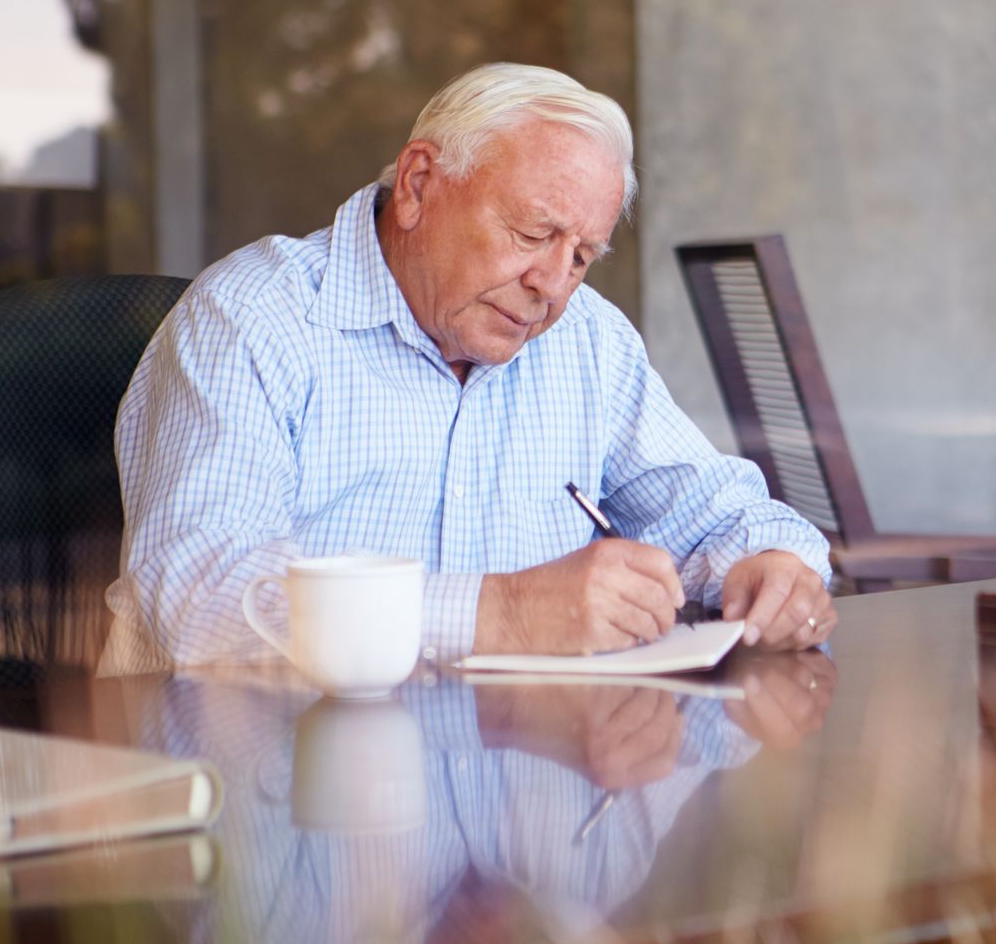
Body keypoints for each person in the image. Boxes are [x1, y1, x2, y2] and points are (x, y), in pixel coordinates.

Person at [103, 63, 837, 671]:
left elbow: (718, 514)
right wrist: (505, 614)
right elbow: (198, 596)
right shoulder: (254, 317)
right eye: (531, 233)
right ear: (421, 185)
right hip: (273, 793)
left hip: (514, 789)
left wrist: (773, 565)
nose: (553, 284)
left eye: (581, 256)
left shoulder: (588, 342)